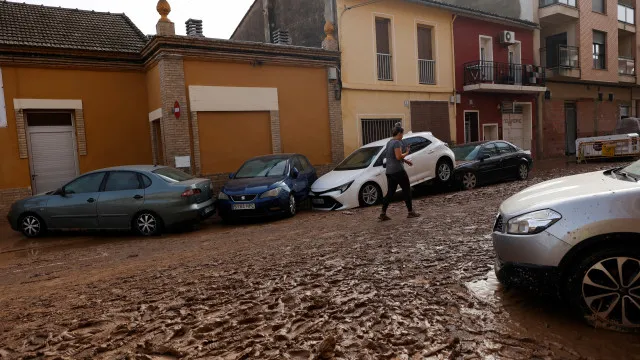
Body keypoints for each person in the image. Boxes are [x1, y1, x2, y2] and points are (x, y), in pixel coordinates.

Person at [379, 123, 420, 221]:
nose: (403, 136)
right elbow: (398, 156)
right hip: (398, 170)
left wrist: (406, 161)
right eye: (402, 134)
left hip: (389, 171)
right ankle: (410, 212)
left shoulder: (389, 142)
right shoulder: (397, 142)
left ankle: (383, 213)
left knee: (390, 193)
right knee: (407, 190)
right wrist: (407, 152)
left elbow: (393, 157)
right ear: (399, 133)